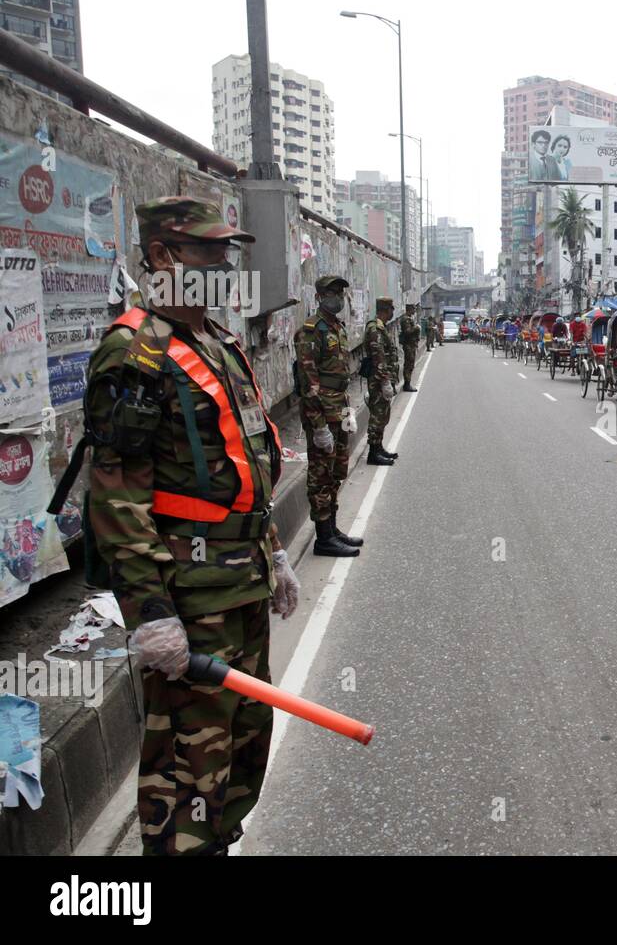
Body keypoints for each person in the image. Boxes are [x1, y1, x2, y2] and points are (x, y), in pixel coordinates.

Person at [85, 196, 299, 855]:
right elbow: (117, 494)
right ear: (161, 257)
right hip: (190, 601)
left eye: (225, 253)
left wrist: (275, 553)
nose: (222, 264)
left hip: (241, 589)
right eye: (207, 252)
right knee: (189, 778)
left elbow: (247, 461)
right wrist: (150, 610)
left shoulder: (216, 341)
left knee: (240, 755)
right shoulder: (135, 353)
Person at [295, 275, 363, 557]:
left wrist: (348, 413)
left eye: (341, 292)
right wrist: (319, 424)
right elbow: (307, 384)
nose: (338, 297)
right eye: (333, 292)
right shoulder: (312, 331)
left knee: (336, 472)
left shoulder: (337, 327)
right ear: (320, 295)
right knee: (321, 475)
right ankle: (323, 538)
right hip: (322, 412)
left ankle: (332, 528)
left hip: (341, 408)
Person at [363, 299, 399, 466]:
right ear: (386, 310)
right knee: (377, 417)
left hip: (382, 379)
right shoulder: (375, 328)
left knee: (383, 416)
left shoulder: (380, 327)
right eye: (392, 309)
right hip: (378, 381)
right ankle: (373, 453)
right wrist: (385, 380)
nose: (393, 313)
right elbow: (378, 356)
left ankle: (378, 448)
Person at [398, 303, 420, 391]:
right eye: (413, 309)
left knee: (410, 364)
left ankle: (408, 383)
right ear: (409, 309)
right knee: (408, 364)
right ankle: (407, 384)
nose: (415, 311)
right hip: (408, 345)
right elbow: (407, 332)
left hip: (411, 344)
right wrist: (416, 328)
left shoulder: (408, 318)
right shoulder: (405, 319)